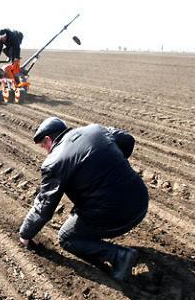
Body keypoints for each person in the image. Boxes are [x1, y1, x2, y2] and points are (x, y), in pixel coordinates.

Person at [18, 117, 149, 281]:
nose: (46, 151)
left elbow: (44, 207)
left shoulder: (54, 162)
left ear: (48, 139)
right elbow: (127, 140)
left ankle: (120, 257)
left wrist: (25, 234)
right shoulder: (96, 129)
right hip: (141, 200)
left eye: (43, 146)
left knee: (67, 237)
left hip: (118, 216)